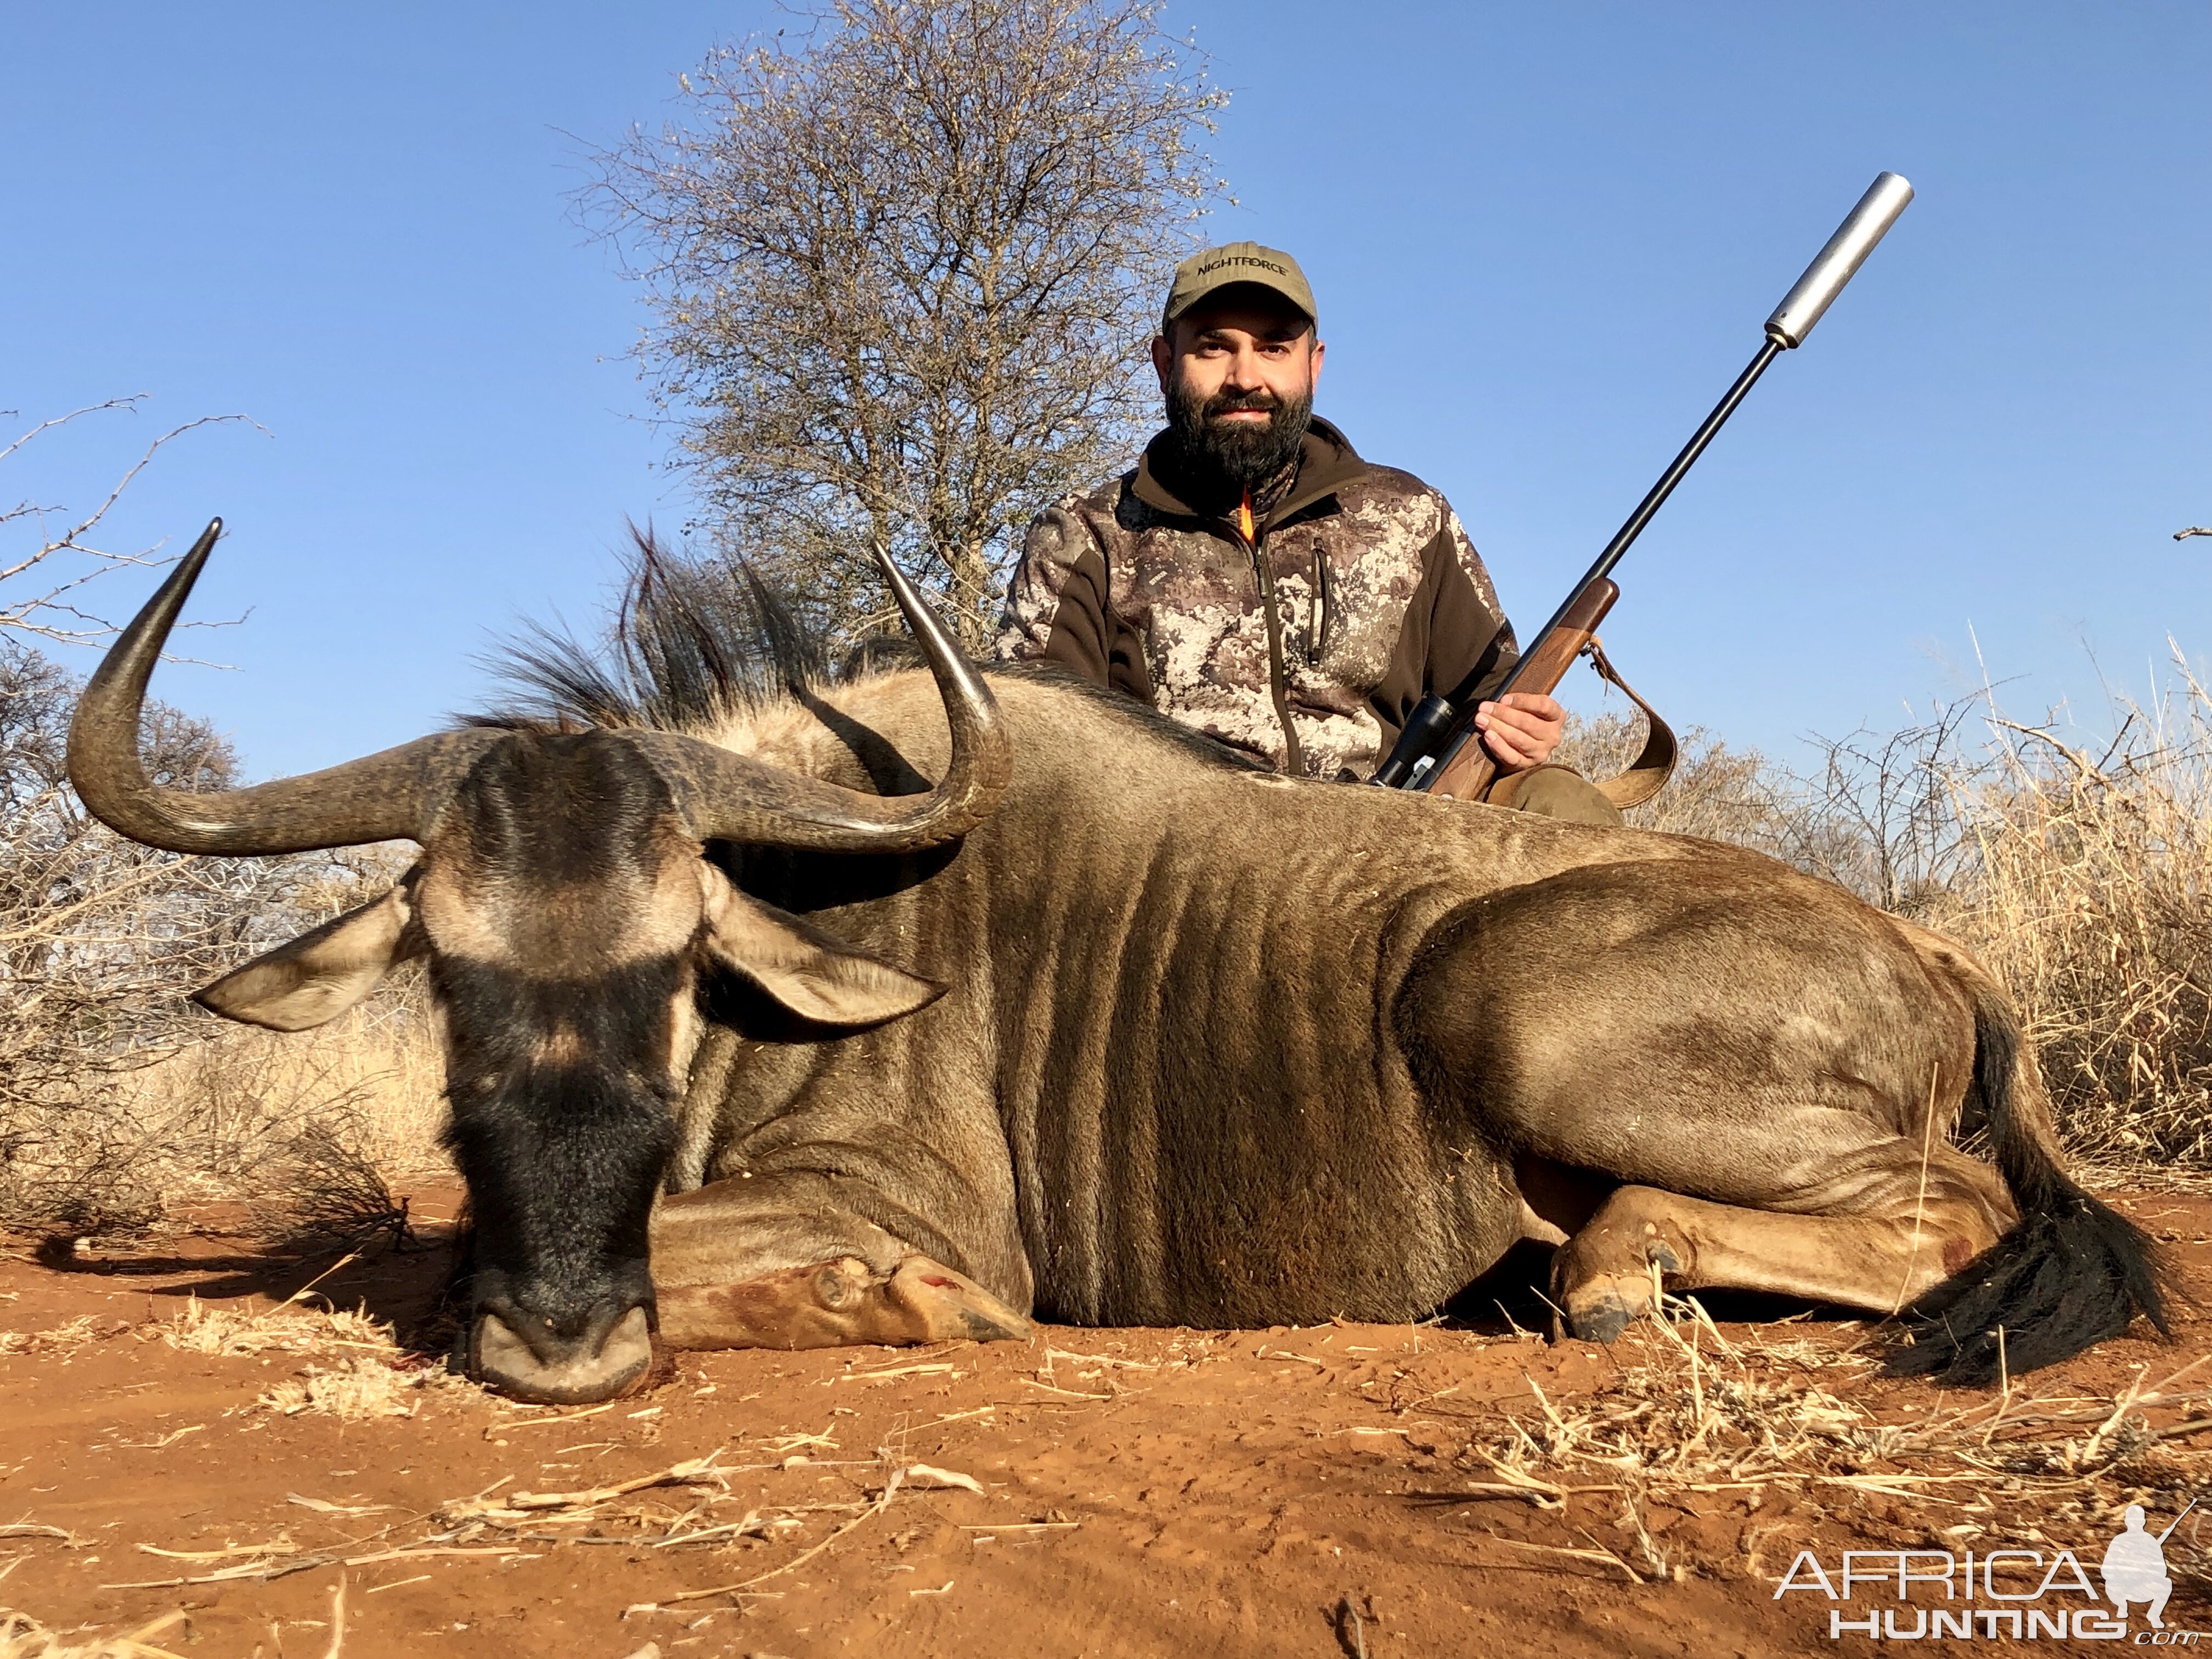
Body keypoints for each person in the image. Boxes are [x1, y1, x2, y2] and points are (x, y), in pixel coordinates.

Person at [995, 240, 1621, 824]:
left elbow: (1487, 699)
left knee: (1563, 802)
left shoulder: (1410, 515)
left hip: (1388, 841)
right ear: (1165, 363)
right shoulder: (1085, 536)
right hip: (1178, 868)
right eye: (1214, 347)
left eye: (1274, 348)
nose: (1245, 376)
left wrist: (1523, 731)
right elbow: (1036, 749)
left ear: (1313, 365)